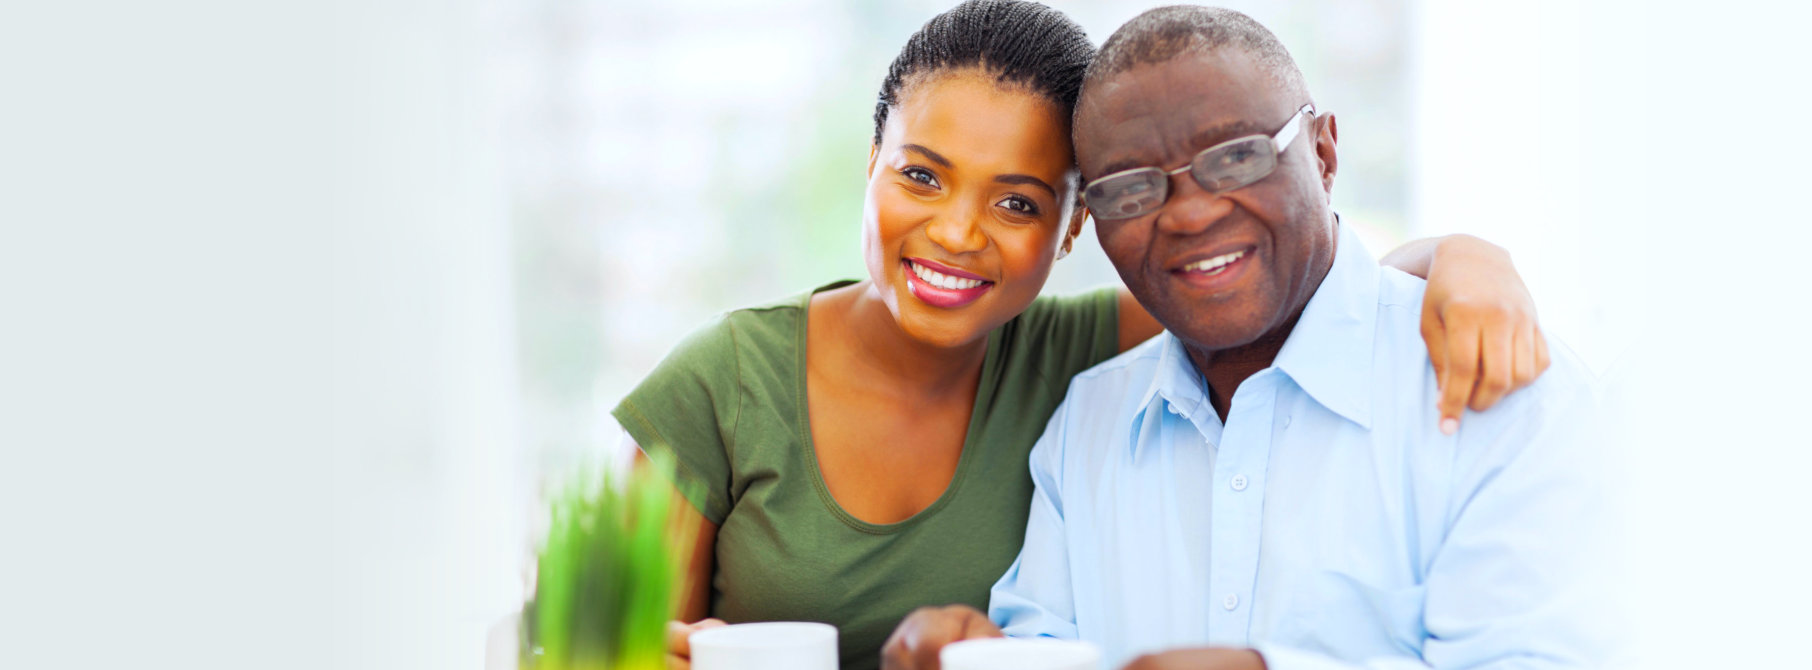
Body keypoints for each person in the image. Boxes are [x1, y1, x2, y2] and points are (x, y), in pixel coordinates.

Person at [615, 3, 1549, 669]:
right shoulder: (725, 385)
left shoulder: (1086, 358)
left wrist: (1467, 258)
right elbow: (599, 648)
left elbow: (1290, 284)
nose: (955, 233)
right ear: (871, 167)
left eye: (1015, 201)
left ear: (1073, 231)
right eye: (922, 177)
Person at [881, 6, 1611, 670]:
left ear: (1324, 154)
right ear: (1091, 224)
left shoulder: (1499, 394)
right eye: (1131, 187)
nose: (1190, 216)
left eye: (1236, 157)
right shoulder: (1088, 423)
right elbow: (1047, 649)